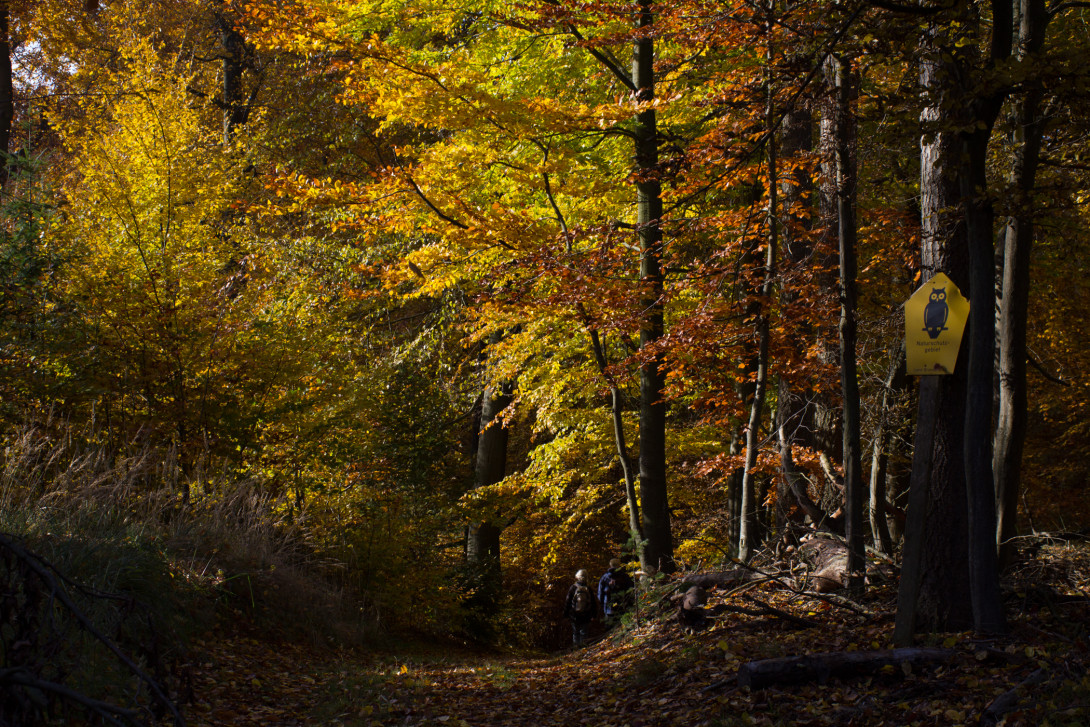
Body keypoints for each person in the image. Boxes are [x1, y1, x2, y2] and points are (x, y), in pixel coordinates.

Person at [563, 569, 598, 647]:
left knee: (575, 633)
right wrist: (593, 615)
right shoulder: (588, 588)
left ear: (577, 577)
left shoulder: (573, 588)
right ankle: (583, 649)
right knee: (584, 633)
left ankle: (576, 649)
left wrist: (565, 614)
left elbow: (568, 601)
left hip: (574, 615)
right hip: (586, 614)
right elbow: (593, 603)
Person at [597, 558, 635, 625]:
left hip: (609, 606)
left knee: (609, 626)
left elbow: (600, 593)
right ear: (619, 565)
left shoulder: (604, 577)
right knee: (622, 626)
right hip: (623, 606)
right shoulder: (625, 576)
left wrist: (602, 604)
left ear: (610, 565)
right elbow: (630, 590)